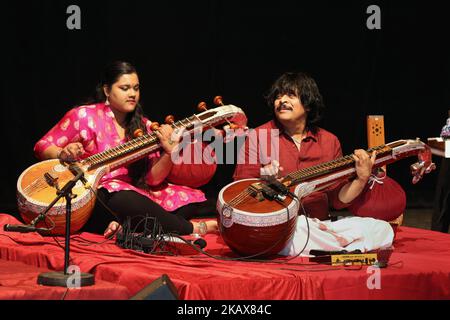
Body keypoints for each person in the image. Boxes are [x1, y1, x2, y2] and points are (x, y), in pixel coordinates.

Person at [34, 61, 218, 237]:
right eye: (125, 88)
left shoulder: (145, 126)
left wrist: (170, 152)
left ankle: (129, 226)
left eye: (136, 88)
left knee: (187, 198)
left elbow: (153, 179)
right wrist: (63, 153)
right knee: (124, 199)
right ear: (107, 90)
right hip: (93, 193)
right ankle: (191, 227)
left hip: (132, 192)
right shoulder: (83, 116)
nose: (132, 94)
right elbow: (42, 146)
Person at [232, 72, 394, 255]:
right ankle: (339, 247)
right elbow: (240, 192)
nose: (281, 101)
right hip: (278, 229)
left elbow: (337, 201)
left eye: (290, 95)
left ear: (308, 104)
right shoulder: (258, 137)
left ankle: (330, 246)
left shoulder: (329, 141)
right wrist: (265, 181)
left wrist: (361, 179)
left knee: (380, 228)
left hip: (320, 226)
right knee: (300, 227)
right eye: (278, 96)